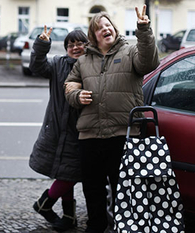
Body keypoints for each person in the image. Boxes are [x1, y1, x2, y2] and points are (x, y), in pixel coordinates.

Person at [64, 5, 160, 233]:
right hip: (90, 136)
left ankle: (125, 227)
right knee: (93, 189)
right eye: (100, 28)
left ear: (115, 29)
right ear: (93, 36)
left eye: (108, 25)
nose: (106, 29)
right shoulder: (83, 61)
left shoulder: (130, 51)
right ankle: (95, 227)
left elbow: (149, 63)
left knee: (123, 189)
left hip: (123, 135)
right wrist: (77, 95)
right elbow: (69, 86)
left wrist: (144, 29)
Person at [29, 25, 88, 231]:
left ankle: (57, 210)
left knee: (68, 172)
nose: (75, 47)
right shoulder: (57, 64)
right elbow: (37, 66)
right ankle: (53, 208)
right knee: (66, 173)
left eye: (80, 43)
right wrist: (42, 44)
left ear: (87, 46)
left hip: (79, 129)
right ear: (65, 48)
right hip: (55, 128)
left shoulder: (92, 66)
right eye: (71, 44)